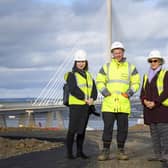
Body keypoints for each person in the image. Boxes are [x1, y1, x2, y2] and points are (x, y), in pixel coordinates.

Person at [96, 41, 140, 161]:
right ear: (112, 54)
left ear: (123, 52)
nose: (118, 54)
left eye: (119, 52)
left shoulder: (131, 67)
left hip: (123, 104)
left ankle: (121, 151)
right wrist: (105, 92)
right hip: (109, 104)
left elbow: (136, 83)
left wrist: (129, 93)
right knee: (107, 129)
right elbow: (99, 81)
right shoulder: (106, 67)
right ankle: (105, 151)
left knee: (122, 130)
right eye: (115, 52)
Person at [64, 49, 97, 159]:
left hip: (86, 106)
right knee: (72, 130)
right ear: (75, 62)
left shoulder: (88, 75)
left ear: (86, 62)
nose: (81, 63)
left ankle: (79, 152)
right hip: (76, 106)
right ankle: (69, 153)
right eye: (79, 61)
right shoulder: (71, 75)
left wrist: (93, 98)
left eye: (83, 61)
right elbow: (73, 89)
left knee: (81, 130)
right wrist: (85, 98)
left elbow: (94, 89)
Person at [140, 50, 168, 168]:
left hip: (162, 109)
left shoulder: (165, 73)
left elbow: (166, 91)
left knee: (164, 135)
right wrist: (144, 101)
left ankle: (166, 157)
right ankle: (157, 155)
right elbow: (143, 92)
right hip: (150, 110)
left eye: (155, 60)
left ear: (160, 61)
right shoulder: (146, 75)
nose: (153, 63)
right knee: (154, 134)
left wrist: (155, 102)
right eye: (151, 61)